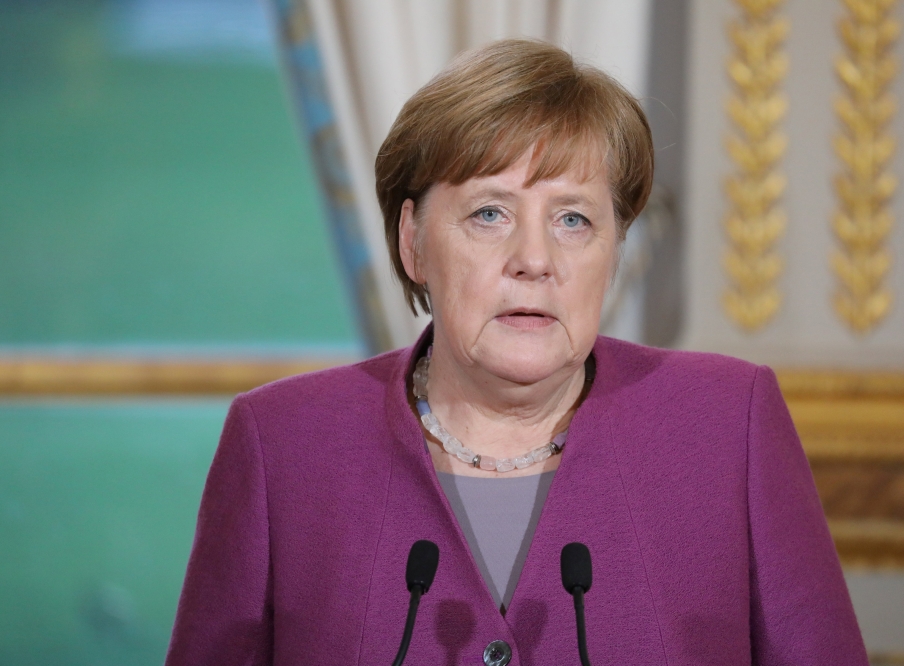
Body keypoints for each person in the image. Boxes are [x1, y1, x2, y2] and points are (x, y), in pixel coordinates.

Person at [165, 39, 868, 665]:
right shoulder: (283, 444)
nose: (535, 259)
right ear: (413, 242)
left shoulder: (727, 424)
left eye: (573, 219)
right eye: (489, 213)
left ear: (613, 251)